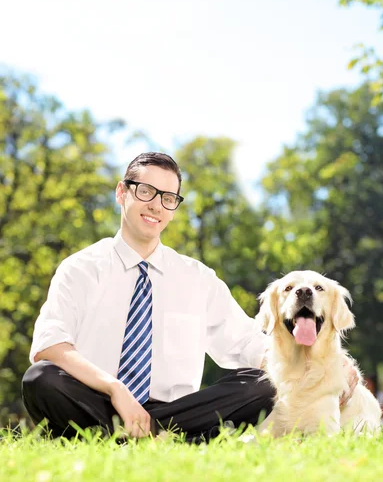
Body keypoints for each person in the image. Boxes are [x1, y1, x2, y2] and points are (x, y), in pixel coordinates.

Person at [22, 152, 356, 441]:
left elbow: (250, 345)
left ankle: (149, 435)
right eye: (146, 191)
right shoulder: (80, 268)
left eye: (169, 197)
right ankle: (159, 440)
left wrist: (330, 365)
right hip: (98, 399)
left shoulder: (198, 278)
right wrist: (115, 389)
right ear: (121, 192)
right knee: (41, 379)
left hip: (178, 414)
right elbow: (50, 345)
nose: (157, 205)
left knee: (262, 384)